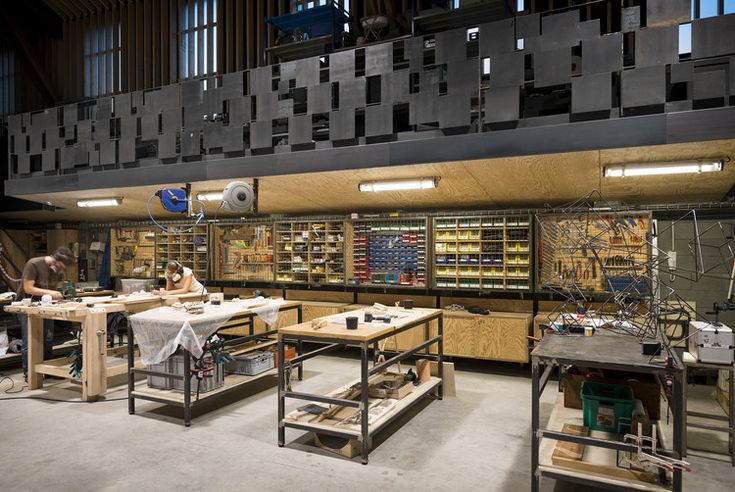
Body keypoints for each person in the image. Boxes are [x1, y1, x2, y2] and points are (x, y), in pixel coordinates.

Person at [16, 247, 75, 378]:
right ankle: (29, 374)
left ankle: (47, 371)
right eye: (62, 265)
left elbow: (53, 288)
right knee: (31, 340)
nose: (62, 269)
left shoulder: (58, 270)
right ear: (56, 259)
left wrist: (59, 297)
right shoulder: (33, 264)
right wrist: (51, 293)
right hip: (27, 306)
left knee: (48, 339)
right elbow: (28, 288)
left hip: (45, 306)